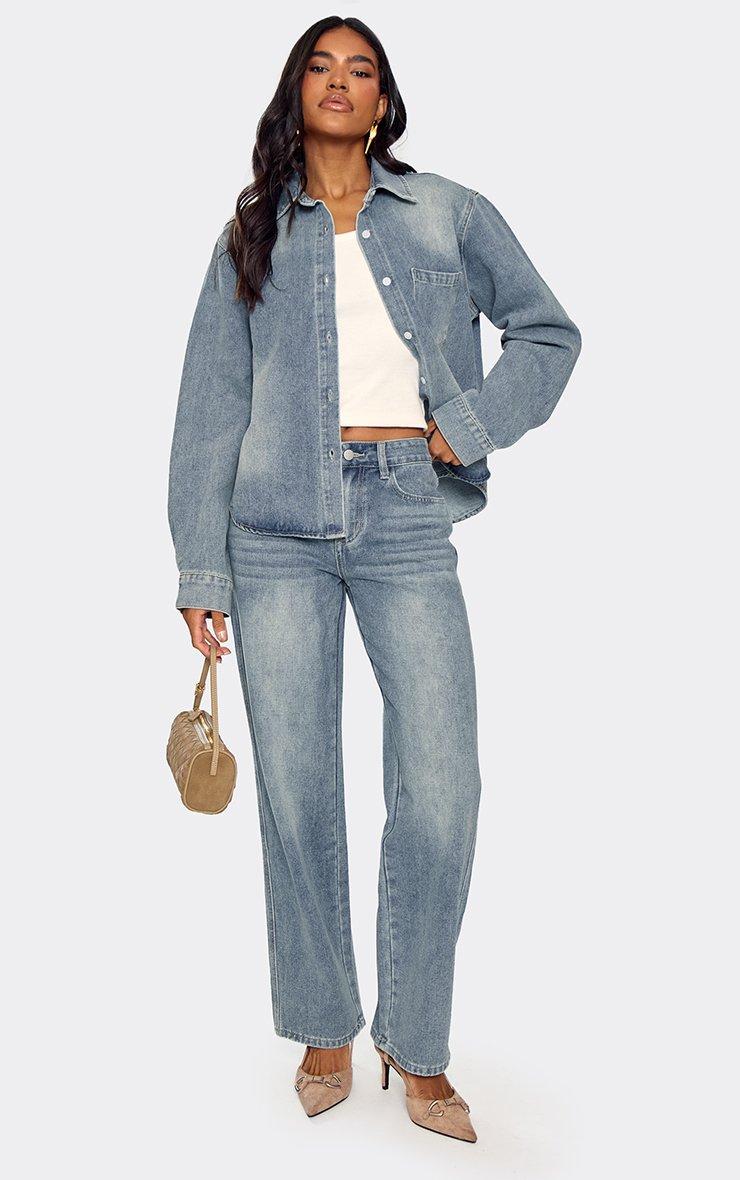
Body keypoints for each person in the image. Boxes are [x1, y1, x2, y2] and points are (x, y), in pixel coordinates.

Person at [167, 16, 581, 1143]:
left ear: (385, 100)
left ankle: (416, 1036)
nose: (340, 82)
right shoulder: (253, 230)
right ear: (295, 91)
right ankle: (323, 1025)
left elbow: (547, 335)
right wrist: (200, 564)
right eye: (321, 66)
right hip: (272, 529)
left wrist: (466, 427)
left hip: (404, 511)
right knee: (297, 790)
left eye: (361, 69)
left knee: (442, 790)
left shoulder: (448, 212)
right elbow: (210, 404)